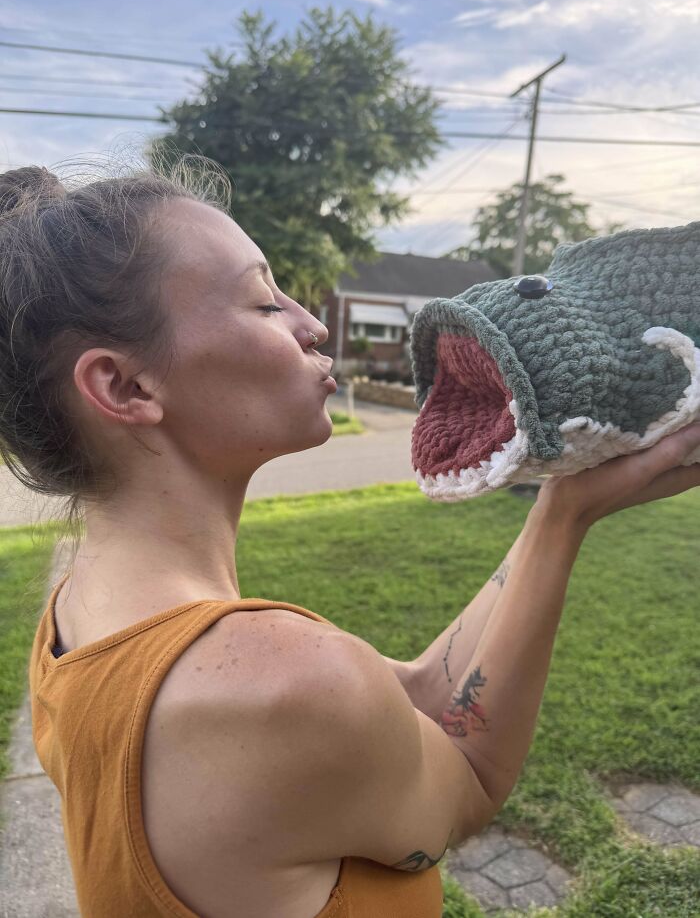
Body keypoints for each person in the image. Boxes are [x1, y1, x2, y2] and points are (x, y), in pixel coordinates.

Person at [2, 161, 699, 918]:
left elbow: (416, 697)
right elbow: (465, 780)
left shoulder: (82, 616)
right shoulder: (282, 682)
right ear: (125, 388)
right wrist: (565, 520)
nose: (311, 323)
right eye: (265, 302)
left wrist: (560, 509)